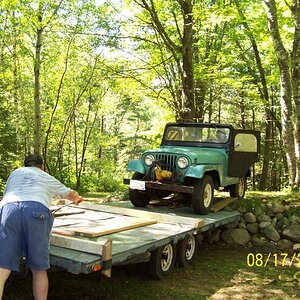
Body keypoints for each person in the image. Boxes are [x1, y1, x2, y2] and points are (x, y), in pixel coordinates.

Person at [0, 154, 83, 300]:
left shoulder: (15, 174)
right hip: (36, 211)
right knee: (38, 269)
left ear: (25, 165)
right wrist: (77, 198)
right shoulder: (45, 176)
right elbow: (69, 194)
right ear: (42, 167)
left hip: (9, 210)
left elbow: (7, 196)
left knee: (2, 267)